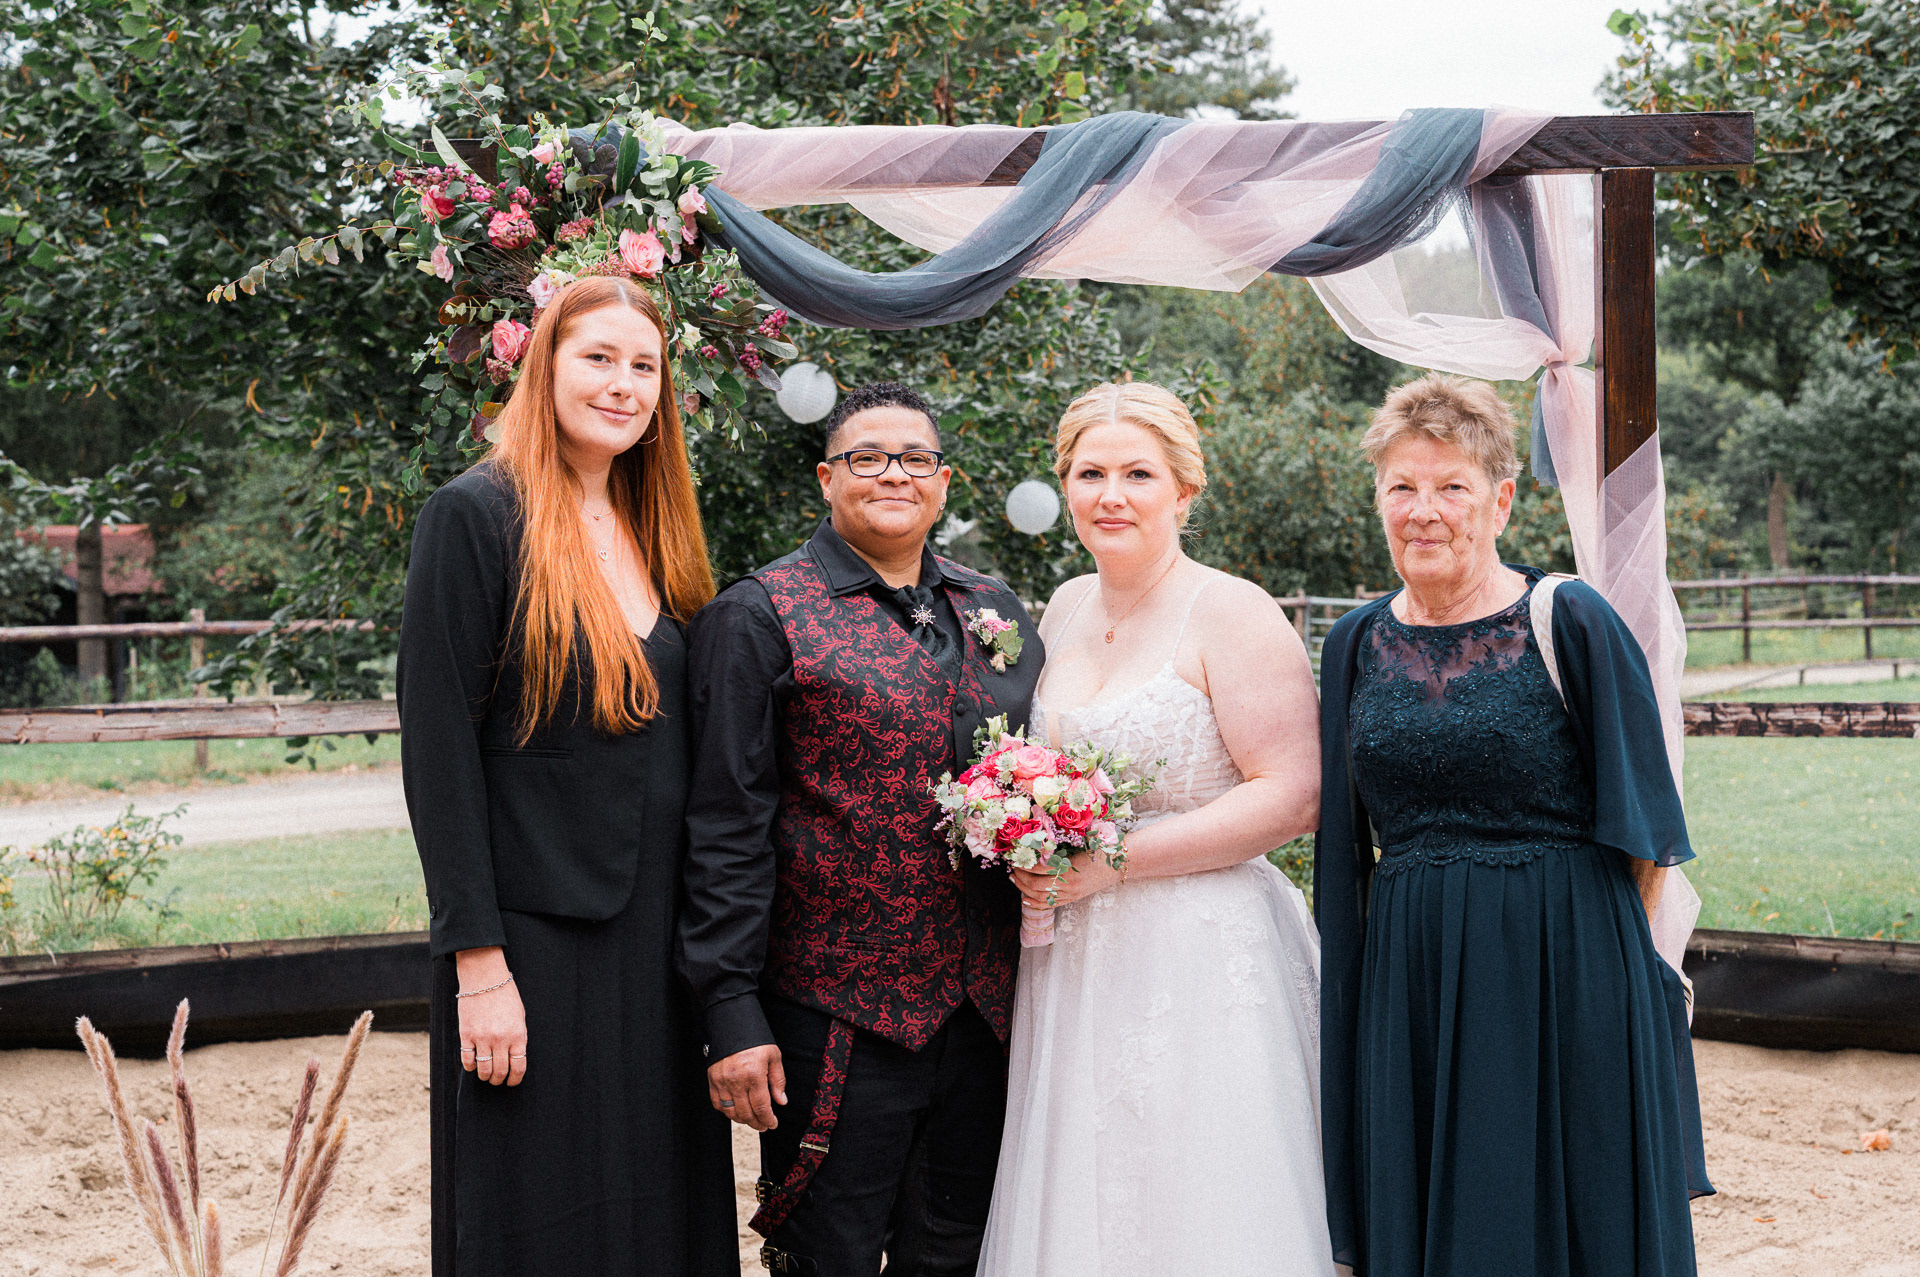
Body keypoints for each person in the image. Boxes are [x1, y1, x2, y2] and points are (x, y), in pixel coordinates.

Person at [1316, 373, 1713, 1277]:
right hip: (1412, 983)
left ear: (1499, 500)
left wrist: (1599, 977)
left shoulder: (1570, 619)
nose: (1424, 510)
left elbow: (1649, 834)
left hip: (1565, 971)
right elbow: (1342, 854)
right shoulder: (1353, 643)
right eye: (1402, 486)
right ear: (1378, 498)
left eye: (1451, 486)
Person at [397, 276, 737, 1275]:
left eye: (645, 366)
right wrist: (478, 965)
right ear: (544, 366)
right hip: (532, 944)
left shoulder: (657, 527)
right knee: (539, 1212)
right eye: (599, 358)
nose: (624, 384)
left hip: (658, 942)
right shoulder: (474, 515)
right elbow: (438, 752)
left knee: (656, 1204)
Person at [679, 382, 1045, 1276]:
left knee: (957, 1253)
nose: (893, 474)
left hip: (986, 1014)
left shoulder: (995, 608)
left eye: (915, 458)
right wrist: (729, 1008)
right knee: (825, 1257)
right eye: (867, 457)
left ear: (944, 482)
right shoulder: (758, 613)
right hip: (834, 1013)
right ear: (826, 477)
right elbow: (724, 827)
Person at [978, 381, 1331, 1277]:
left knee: (1197, 1189)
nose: (1112, 495)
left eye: (1138, 473)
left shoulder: (1232, 610)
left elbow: (1292, 794)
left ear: (1184, 489)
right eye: (1090, 473)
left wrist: (1116, 861)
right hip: (1074, 954)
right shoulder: (1063, 605)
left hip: (1200, 954)